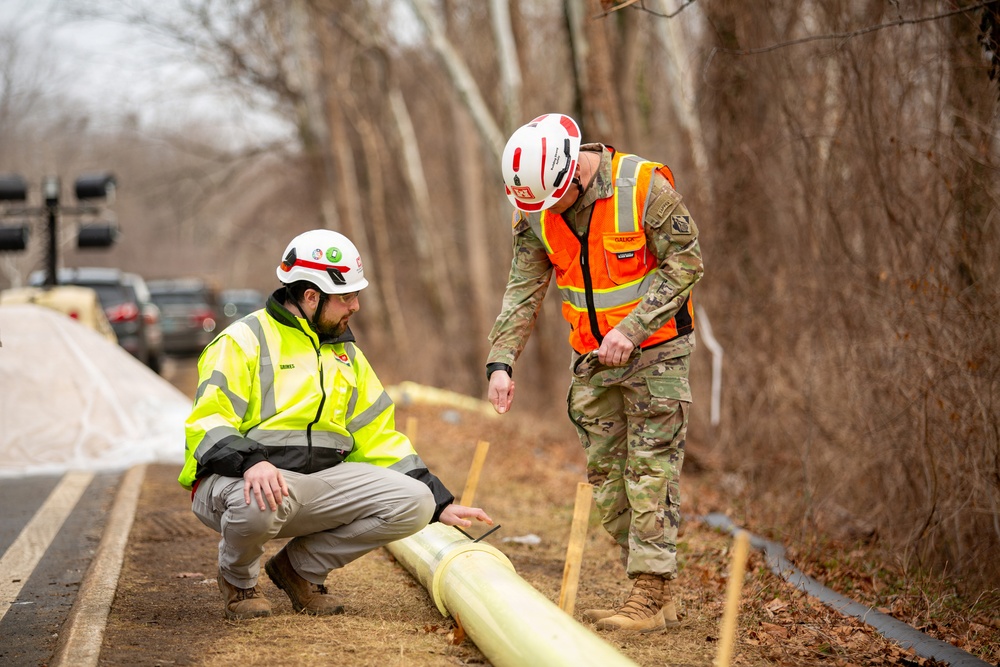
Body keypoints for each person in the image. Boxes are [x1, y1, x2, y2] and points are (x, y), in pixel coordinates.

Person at [179, 229, 493, 620]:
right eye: (346, 297)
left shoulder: (346, 354)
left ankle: (297, 571)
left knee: (415, 502)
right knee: (256, 502)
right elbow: (208, 420)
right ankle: (239, 583)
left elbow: (377, 435)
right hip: (237, 482)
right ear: (311, 297)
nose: (356, 306)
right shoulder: (244, 340)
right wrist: (251, 463)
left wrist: (440, 501)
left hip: (311, 484)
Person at [485, 113, 703, 633]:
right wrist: (501, 360)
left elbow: (687, 262)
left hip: (657, 351)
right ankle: (659, 587)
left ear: (574, 176)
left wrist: (632, 328)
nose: (544, 214)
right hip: (592, 361)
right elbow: (523, 289)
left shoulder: (644, 187)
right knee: (608, 482)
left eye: (551, 202)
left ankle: (648, 593)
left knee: (650, 470)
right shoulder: (537, 207)